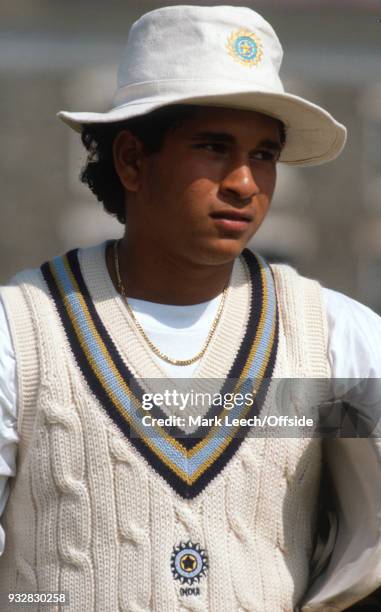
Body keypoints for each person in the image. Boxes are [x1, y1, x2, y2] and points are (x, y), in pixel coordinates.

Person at [0, 5, 380, 611]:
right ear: (130, 159)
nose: (244, 183)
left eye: (263, 154)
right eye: (213, 147)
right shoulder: (21, 334)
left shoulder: (336, 338)